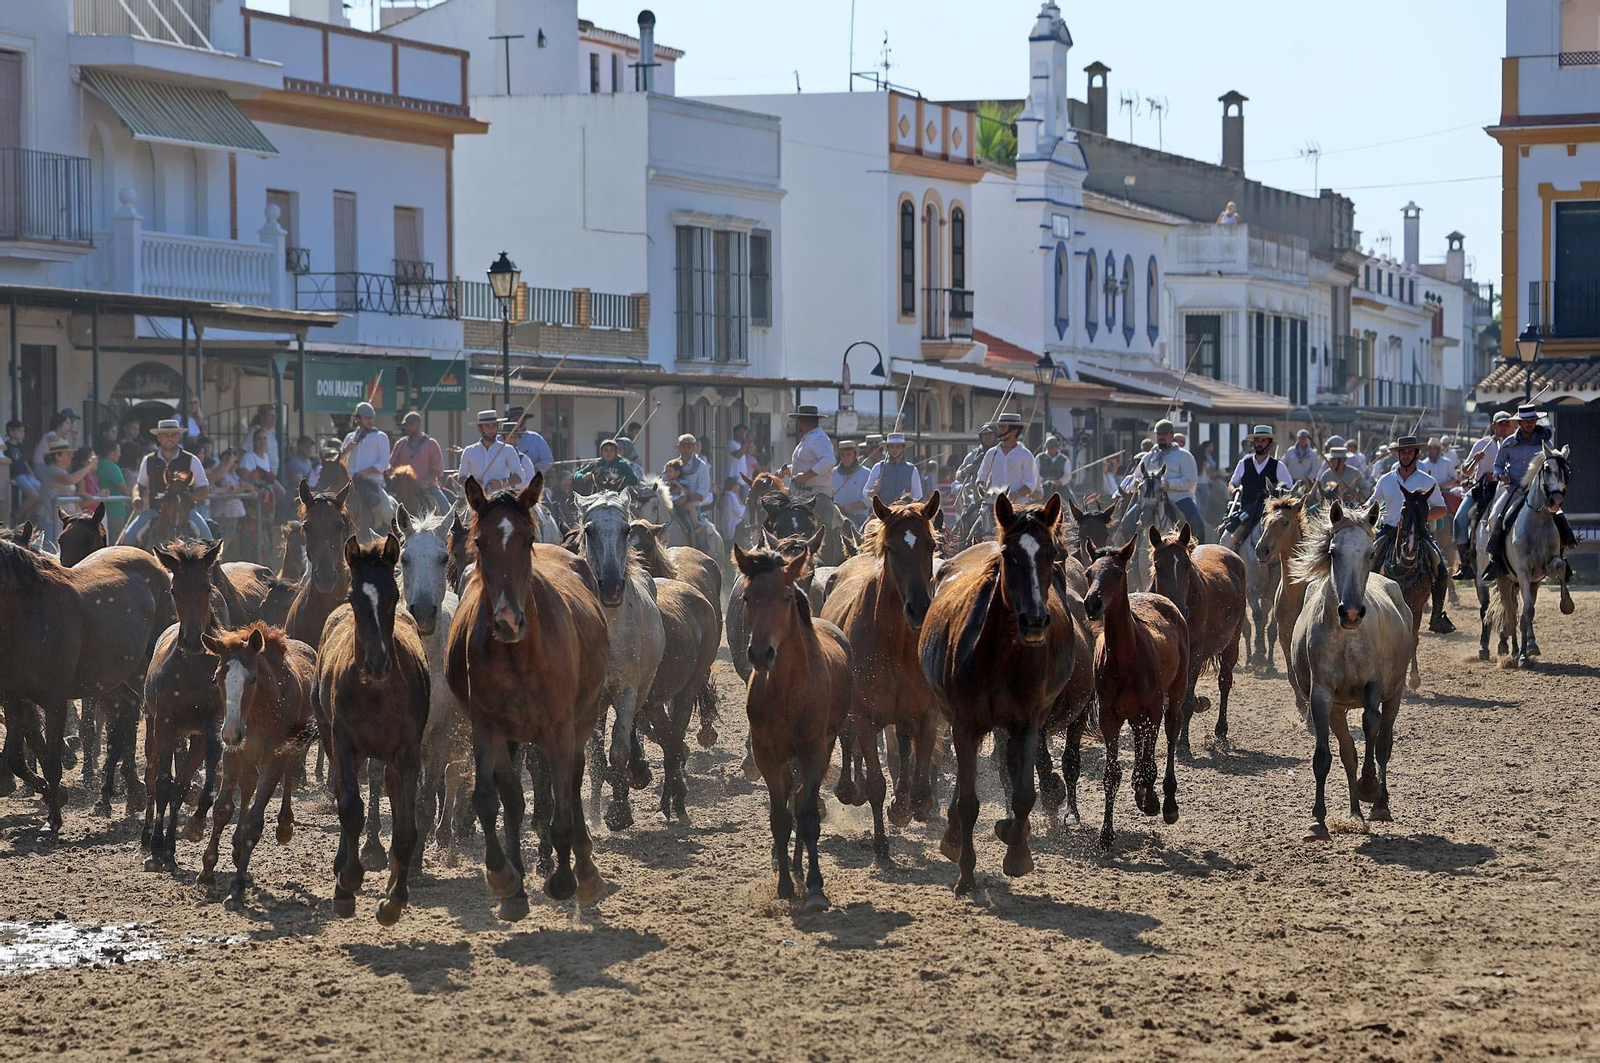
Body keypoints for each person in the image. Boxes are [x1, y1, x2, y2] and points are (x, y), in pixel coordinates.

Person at [1369, 434, 1453, 632]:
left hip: (1419, 532)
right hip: (1389, 531)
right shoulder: (1385, 480)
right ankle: (1364, 607)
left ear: (1416, 454)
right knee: (1368, 562)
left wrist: (1420, 518)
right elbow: (1372, 503)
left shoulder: (1427, 481)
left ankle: (1437, 616)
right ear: (1398, 455)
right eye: (1402, 452)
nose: (1405, 455)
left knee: (1440, 568)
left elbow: (1442, 509)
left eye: (1409, 452)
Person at [1481, 404, 1574, 580]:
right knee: (1494, 518)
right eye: (1526, 421)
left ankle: (1563, 558)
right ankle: (1495, 562)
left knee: (1559, 517)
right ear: (1519, 423)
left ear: (1535, 421)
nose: (1529, 423)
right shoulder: (1508, 443)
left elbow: (1552, 463)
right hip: (1513, 488)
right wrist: (1501, 476)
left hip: (1537, 490)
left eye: (1532, 420)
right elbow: (1498, 466)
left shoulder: (1546, 443)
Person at [117, 419, 212, 546]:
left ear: (178, 437)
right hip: (155, 510)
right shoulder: (149, 460)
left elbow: (204, 489)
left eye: (173, 435)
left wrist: (185, 499)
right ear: (159, 437)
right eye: (165, 435)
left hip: (185, 511)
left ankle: (214, 564)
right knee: (128, 539)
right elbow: (140, 485)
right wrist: (137, 497)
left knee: (209, 542)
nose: (169, 438)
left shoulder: (191, 460)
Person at [1452, 411, 1515, 578]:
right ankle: (1465, 562)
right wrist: (1476, 460)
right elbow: (1465, 472)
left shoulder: (1513, 444)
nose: (1504, 427)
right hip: (1482, 490)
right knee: (1459, 519)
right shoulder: (1482, 444)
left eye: (1506, 424)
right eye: (1500, 424)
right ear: (1493, 426)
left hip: (1505, 490)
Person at [1220, 425, 1293, 544]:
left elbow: (1289, 490)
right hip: (1245, 514)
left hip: (1270, 515)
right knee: (1225, 539)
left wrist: (1276, 493)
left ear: (1270, 445)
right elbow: (1232, 483)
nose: (1260, 443)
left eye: (1263, 440)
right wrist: (1233, 490)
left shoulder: (1279, 466)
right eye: (1257, 440)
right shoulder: (1244, 463)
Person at [1133, 418, 1204, 540]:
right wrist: (1137, 482)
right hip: (1151, 498)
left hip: (1178, 497)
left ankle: (1198, 551)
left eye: (1165, 434)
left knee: (1196, 523)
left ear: (1172, 435)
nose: (1161, 437)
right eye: (1159, 434)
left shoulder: (1184, 456)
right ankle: (1130, 555)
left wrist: (1169, 485)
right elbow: (1137, 475)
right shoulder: (1149, 457)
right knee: (1126, 523)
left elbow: (1190, 480)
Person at [784, 404, 842, 532]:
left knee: (822, 531)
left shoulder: (818, 437)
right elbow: (808, 464)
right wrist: (789, 470)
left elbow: (829, 460)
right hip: (800, 496)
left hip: (817, 496)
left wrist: (805, 477)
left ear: (801, 422)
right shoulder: (809, 439)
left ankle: (827, 551)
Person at [336, 401, 393, 527]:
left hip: (372, 483)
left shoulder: (380, 437)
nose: (370, 421)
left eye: (371, 417)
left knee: (387, 510)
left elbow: (384, 463)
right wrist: (347, 450)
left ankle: (384, 532)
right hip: (350, 484)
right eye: (366, 418)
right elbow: (338, 462)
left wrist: (366, 472)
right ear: (358, 418)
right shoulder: (350, 437)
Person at [36, 439, 96, 550]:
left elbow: (63, 491)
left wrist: (78, 495)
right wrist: (89, 466)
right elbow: (70, 480)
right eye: (67, 454)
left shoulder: (61, 471)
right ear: (58, 456)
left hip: (60, 520)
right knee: (51, 552)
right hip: (50, 518)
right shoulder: (52, 470)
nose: (71, 456)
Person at [388, 410, 449, 513]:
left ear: (419, 425)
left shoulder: (431, 444)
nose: (407, 428)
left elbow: (437, 470)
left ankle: (451, 524)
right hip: (403, 489)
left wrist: (423, 482)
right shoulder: (401, 444)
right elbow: (391, 465)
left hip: (428, 487)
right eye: (406, 425)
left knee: (445, 507)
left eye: (410, 425)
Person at [457, 409, 524, 492]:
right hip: (477, 497)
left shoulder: (508, 450)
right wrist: (471, 484)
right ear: (479, 428)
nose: (491, 429)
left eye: (494, 425)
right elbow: (461, 477)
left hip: (500, 498)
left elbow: (520, 476)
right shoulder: (469, 451)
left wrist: (502, 483)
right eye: (487, 426)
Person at [975, 412, 1037, 501]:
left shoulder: (1026, 455)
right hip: (994, 504)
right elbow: (981, 477)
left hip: (1018, 506)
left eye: (1003, 427)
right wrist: (981, 488)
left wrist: (1016, 494)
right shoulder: (991, 453)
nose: (999, 431)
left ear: (1014, 431)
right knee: (969, 514)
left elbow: (1030, 485)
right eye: (999, 427)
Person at [238, 427, 283, 530]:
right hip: (254, 500)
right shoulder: (249, 457)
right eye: (259, 438)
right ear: (254, 441)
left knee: (281, 492)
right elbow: (242, 479)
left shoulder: (266, 457)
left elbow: (270, 479)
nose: (262, 441)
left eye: (264, 438)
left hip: (266, 502)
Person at [864, 432, 923, 505]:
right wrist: (874, 491)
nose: (894, 450)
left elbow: (918, 495)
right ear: (887, 448)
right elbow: (865, 492)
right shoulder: (878, 467)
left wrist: (908, 498)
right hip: (883, 511)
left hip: (903, 511)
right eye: (891, 446)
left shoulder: (912, 469)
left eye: (898, 447)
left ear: (903, 448)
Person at [4, 419, 41, 523]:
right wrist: (8, 478)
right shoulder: (6, 447)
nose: (22, 433)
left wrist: (31, 473)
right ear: (11, 432)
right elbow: (6, 464)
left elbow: (24, 461)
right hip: (17, 476)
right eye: (19, 431)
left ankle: (27, 516)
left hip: (26, 475)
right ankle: (17, 517)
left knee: (43, 494)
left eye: (23, 431)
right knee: (34, 496)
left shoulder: (20, 445)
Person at [953, 423, 998, 504]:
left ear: (995, 436)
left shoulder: (1002, 454)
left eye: (990, 434)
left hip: (998, 500)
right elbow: (958, 477)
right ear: (981, 436)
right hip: (977, 500)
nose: (987, 437)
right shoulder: (973, 455)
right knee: (966, 516)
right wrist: (965, 471)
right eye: (985, 434)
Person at [507, 406, 554, 478]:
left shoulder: (535, 438)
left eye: (520, 419)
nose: (518, 423)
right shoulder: (499, 440)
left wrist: (535, 470)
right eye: (514, 419)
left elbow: (548, 460)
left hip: (531, 481)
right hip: (506, 481)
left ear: (525, 421)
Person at [832, 440, 871, 528]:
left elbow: (869, 499)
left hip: (860, 519)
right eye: (842, 455)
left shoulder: (866, 473)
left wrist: (851, 507)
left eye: (848, 454)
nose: (845, 458)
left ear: (854, 454)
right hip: (837, 518)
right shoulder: (832, 473)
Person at [94, 438, 129, 534]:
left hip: (97, 512)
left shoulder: (95, 465)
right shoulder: (113, 468)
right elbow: (125, 491)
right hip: (115, 513)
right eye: (118, 451)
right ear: (111, 452)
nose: (120, 454)